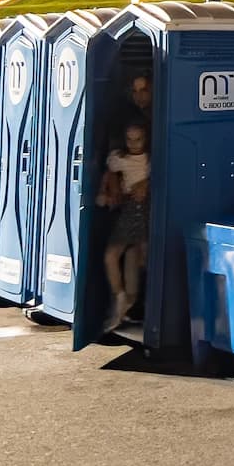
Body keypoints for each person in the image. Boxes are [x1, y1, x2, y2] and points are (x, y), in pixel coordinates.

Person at [97, 118, 151, 329]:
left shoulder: (150, 160)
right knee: (119, 255)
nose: (134, 143)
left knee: (135, 257)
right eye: (130, 139)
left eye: (138, 139)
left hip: (142, 208)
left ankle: (128, 303)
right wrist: (106, 190)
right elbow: (109, 172)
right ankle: (122, 298)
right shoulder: (119, 158)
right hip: (129, 207)